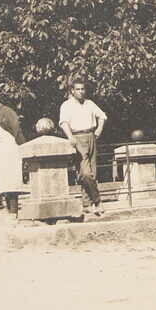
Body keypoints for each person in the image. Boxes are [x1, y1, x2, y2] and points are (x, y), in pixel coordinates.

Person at [58, 78, 108, 217]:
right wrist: (70, 137)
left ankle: (86, 204)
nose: (80, 92)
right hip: (77, 138)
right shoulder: (66, 105)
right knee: (85, 173)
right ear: (72, 91)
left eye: (82, 89)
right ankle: (97, 201)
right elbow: (63, 123)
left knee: (93, 172)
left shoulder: (89, 103)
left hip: (91, 136)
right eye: (77, 89)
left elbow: (102, 116)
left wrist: (99, 130)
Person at [0, 92, 29, 220]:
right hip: (2, 148)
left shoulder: (7, 111)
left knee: (12, 178)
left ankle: (14, 211)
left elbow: (16, 130)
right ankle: (9, 210)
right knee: (4, 179)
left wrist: (23, 147)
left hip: (12, 146)